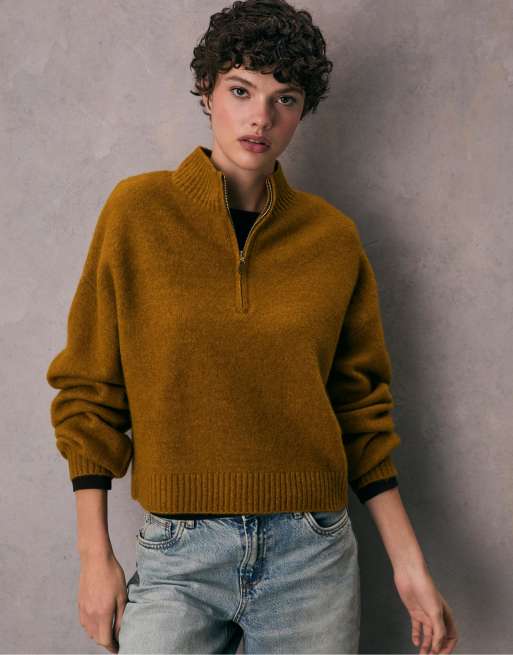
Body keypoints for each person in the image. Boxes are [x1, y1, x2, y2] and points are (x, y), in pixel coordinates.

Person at [45, 0, 459, 653]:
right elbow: (89, 391)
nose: (260, 117)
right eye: (241, 90)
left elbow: (360, 411)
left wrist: (409, 565)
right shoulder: (137, 213)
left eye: (283, 98)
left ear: (302, 110)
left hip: (311, 555)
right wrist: (94, 556)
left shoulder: (332, 240)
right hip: (180, 551)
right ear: (206, 88)